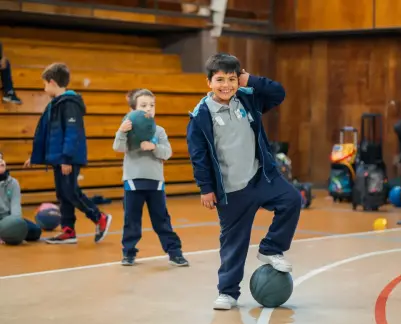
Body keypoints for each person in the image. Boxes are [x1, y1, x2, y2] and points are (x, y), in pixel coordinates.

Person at [186, 53, 302, 310]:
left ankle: (271, 248)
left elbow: (278, 93)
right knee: (233, 245)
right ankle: (227, 292)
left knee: (292, 199)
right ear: (208, 82)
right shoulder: (200, 115)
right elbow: (198, 156)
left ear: (239, 80)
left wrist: (251, 79)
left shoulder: (248, 98)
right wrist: (206, 188)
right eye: (219, 79)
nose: (226, 85)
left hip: (261, 177)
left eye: (231, 79)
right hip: (231, 191)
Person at [23, 62, 112, 244]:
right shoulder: (55, 105)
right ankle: (68, 230)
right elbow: (49, 133)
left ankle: (99, 217)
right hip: (59, 158)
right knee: (63, 194)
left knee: (71, 192)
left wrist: (66, 158)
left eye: (45, 84)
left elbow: (72, 133)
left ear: (53, 82)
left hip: (67, 158)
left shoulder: (70, 104)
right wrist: (35, 155)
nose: (44, 88)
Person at [113, 88, 189, 267]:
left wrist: (153, 147)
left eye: (152, 105)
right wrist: (121, 131)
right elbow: (118, 148)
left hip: (155, 183)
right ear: (133, 109)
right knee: (131, 220)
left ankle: (175, 253)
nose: (148, 109)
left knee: (162, 220)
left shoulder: (159, 131)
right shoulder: (127, 128)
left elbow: (167, 152)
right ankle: (128, 253)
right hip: (133, 182)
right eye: (143, 105)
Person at [0, 156, 41, 244]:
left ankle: (7, 233)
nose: (1, 161)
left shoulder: (13, 182)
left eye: (1, 158)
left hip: (9, 218)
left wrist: (15, 225)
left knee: (35, 231)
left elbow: (16, 207)